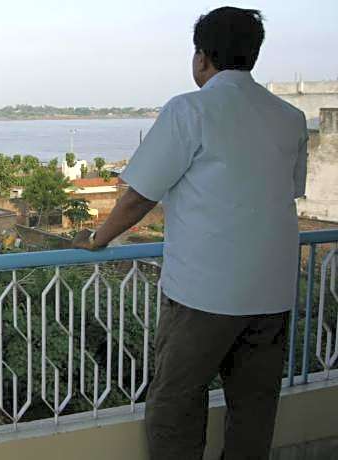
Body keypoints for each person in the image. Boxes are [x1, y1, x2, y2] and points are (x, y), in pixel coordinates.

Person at [71, 7, 308, 459]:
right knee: (254, 410)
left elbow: (140, 196)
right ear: (253, 55)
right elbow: (286, 193)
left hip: (204, 295)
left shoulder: (190, 109)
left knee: (175, 406)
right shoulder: (290, 117)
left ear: (202, 58)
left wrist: (98, 240)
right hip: (273, 292)